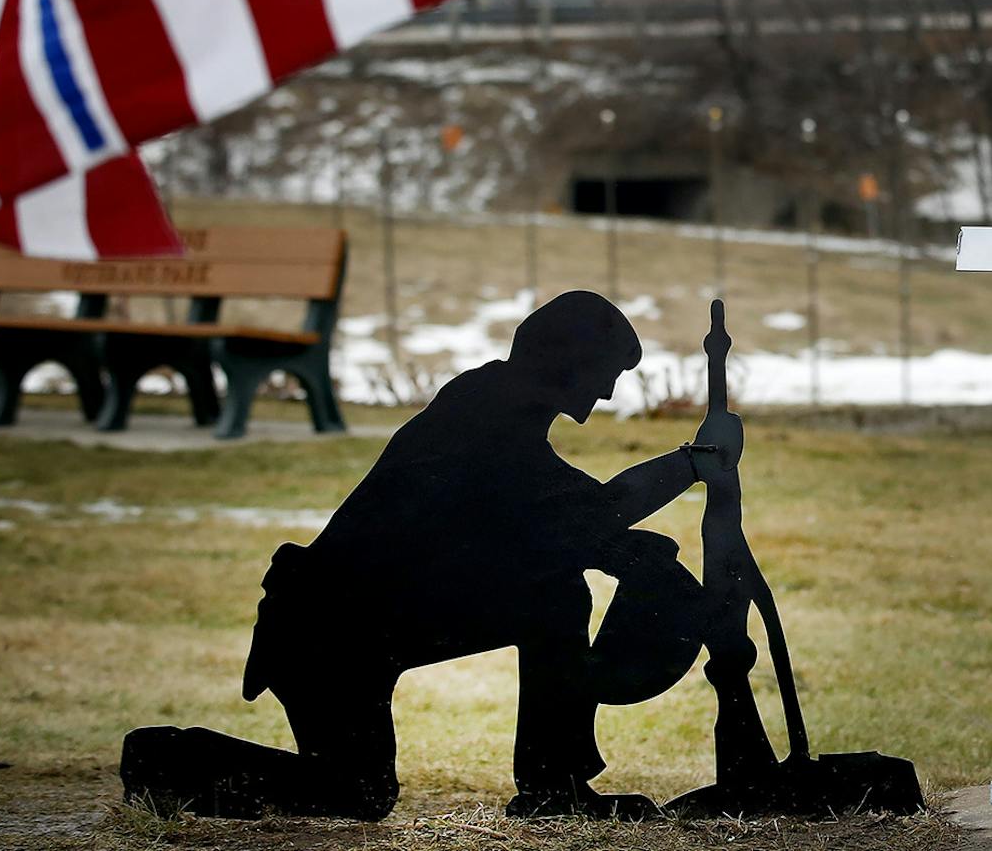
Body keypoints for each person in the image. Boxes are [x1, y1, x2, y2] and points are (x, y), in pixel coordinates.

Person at [120, 290, 771, 820]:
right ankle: (166, 759)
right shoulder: (488, 412)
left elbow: (559, 520)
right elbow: (580, 514)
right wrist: (690, 466)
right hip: (329, 629)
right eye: (605, 372)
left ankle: (554, 787)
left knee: (552, 594)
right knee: (355, 793)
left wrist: (677, 481)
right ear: (568, 358)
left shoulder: (495, 405)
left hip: (372, 623)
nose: (604, 393)